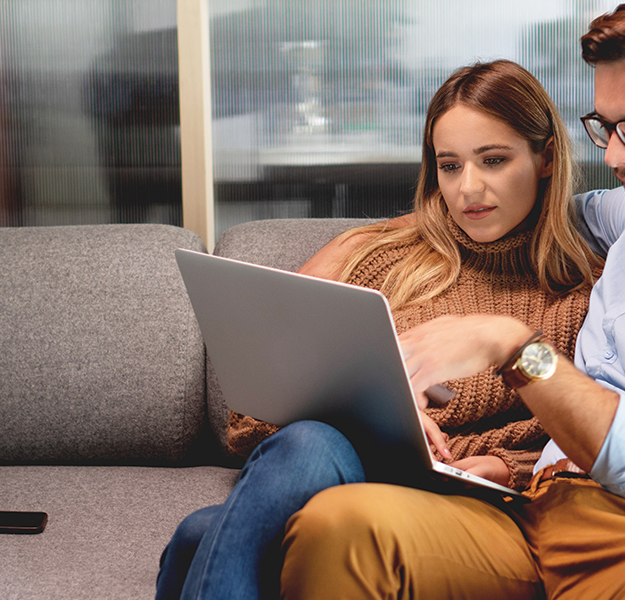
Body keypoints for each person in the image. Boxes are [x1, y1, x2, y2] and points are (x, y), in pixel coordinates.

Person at [278, 1, 625, 598]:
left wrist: (512, 344)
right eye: (607, 127)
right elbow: (519, 206)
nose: (614, 157)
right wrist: (359, 247)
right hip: (540, 506)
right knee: (338, 527)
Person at [155, 59, 602, 600]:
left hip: (461, 507)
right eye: (450, 165)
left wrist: (502, 466)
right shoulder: (383, 261)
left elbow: (588, 440)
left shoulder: (584, 296)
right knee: (308, 443)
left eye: (494, 160)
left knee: (197, 537)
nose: (469, 188)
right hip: (331, 469)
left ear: (546, 157)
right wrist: (378, 419)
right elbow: (251, 415)